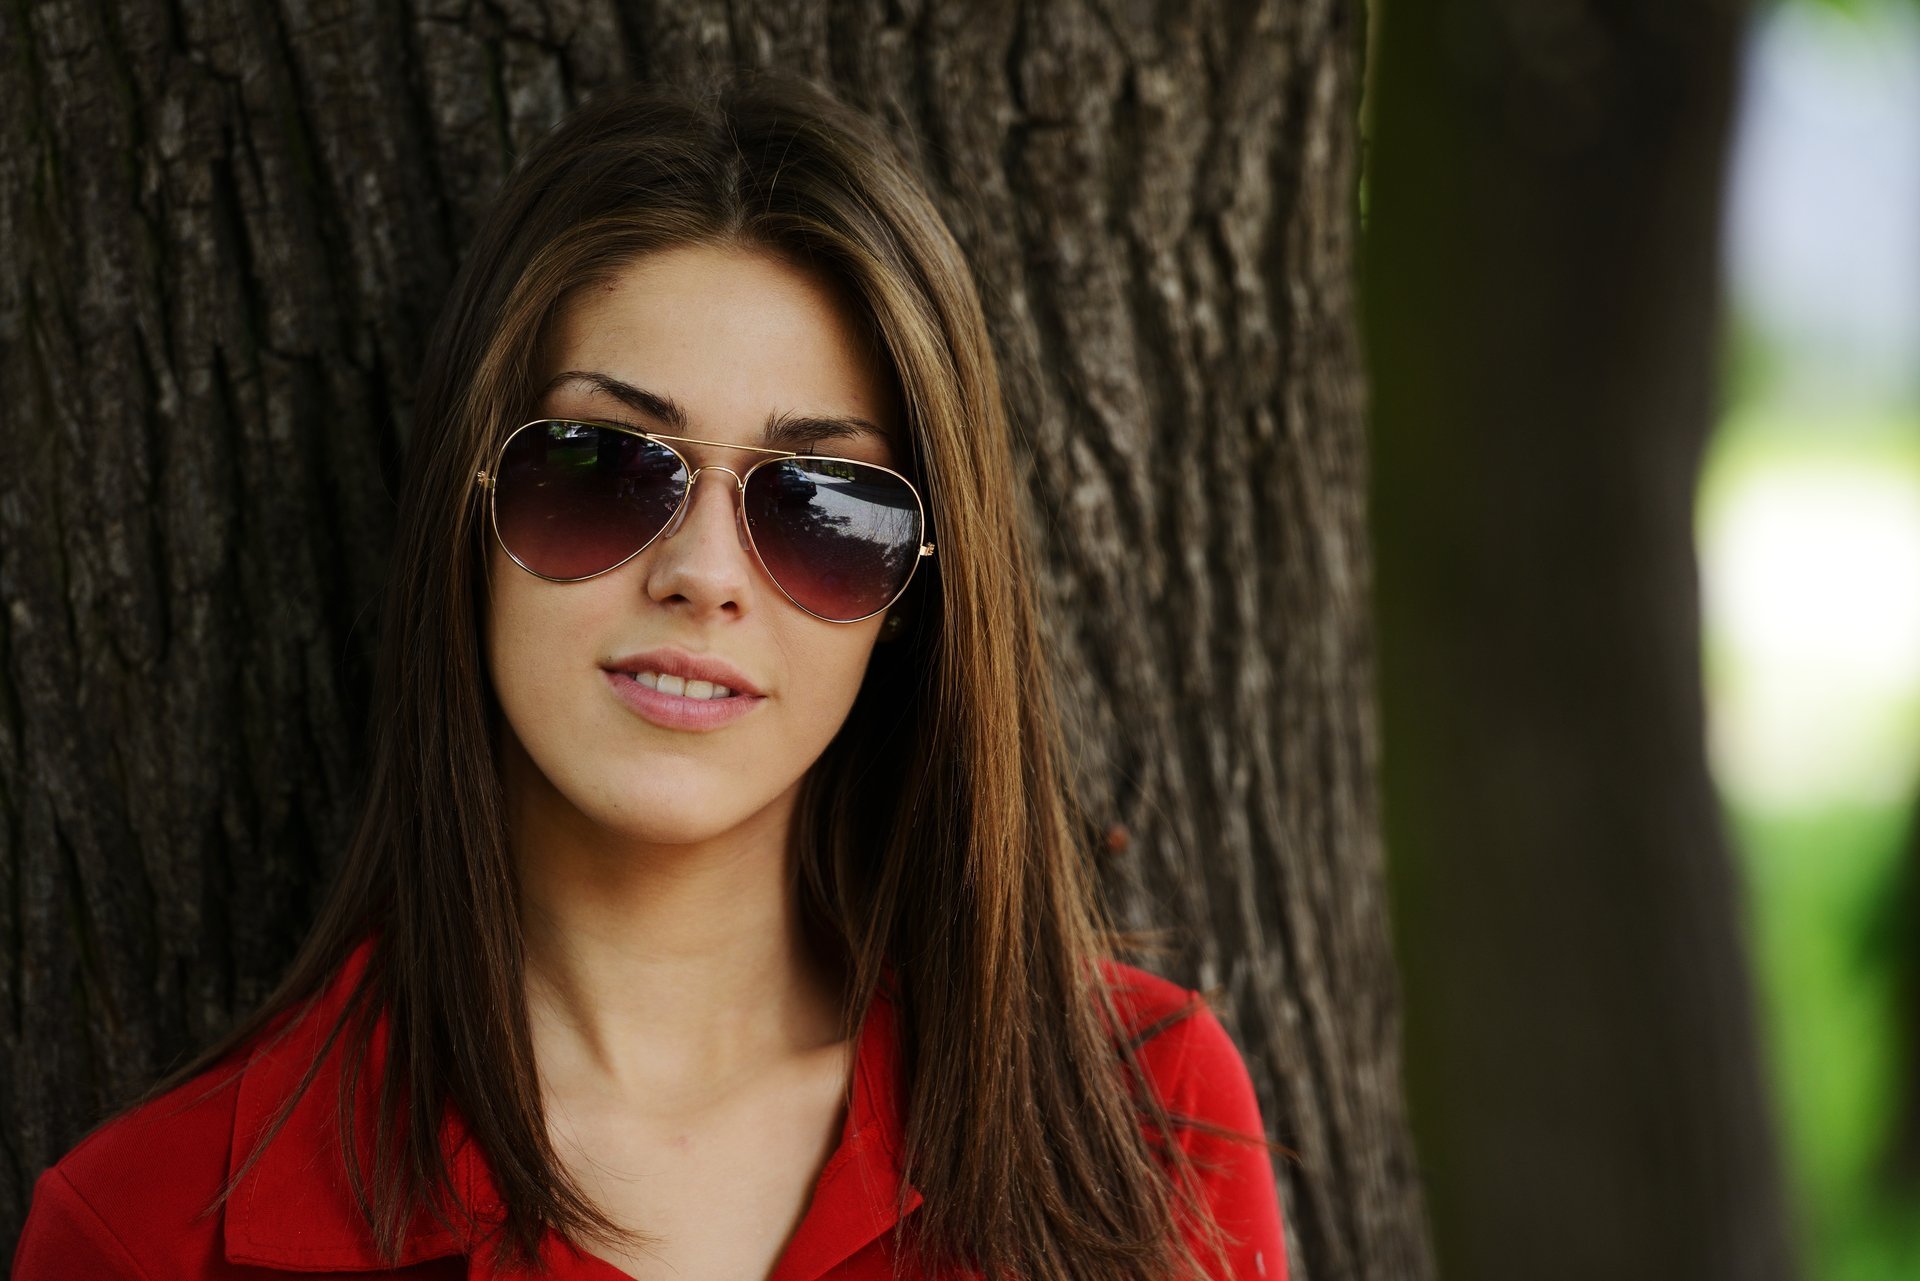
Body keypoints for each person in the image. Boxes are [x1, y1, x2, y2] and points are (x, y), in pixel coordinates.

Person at [11, 68, 1290, 1281]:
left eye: (822, 506)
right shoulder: (152, 1234)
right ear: (477, 505)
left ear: (910, 597)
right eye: (606, 466)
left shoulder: (1148, 1120)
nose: (705, 573)